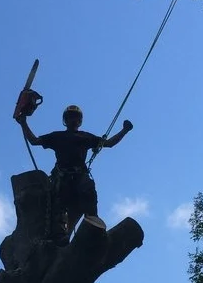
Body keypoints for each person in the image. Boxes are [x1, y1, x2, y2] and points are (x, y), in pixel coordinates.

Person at [16, 99, 133, 237]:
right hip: (62, 178)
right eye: (71, 117)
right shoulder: (57, 136)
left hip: (80, 177)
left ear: (80, 120)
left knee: (89, 196)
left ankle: (92, 226)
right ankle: (60, 235)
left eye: (76, 117)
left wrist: (124, 131)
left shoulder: (86, 137)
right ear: (66, 120)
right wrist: (23, 123)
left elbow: (108, 143)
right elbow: (34, 141)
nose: (73, 119)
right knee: (58, 204)